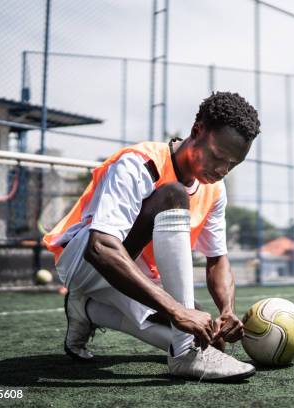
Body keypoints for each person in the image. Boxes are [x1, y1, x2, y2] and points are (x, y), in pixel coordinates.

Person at [43, 92, 260, 381]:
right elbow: (101, 248)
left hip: (139, 274)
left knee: (212, 340)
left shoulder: (215, 189)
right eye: (218, 157)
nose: (222, 170)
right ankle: (184, 355)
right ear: (197, 131)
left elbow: (217, 259)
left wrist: (227, 310)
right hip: (86, 263)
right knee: (174, 194)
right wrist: (176, 311)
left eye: (232, 165)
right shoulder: (138, 163)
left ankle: (87, 309)